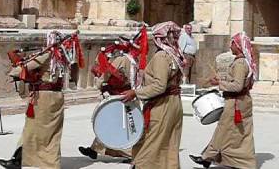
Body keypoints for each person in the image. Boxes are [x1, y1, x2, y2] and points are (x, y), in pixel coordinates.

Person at [0, 31, 85, 169]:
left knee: (38, 131)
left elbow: (22, 70)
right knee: (43, 131)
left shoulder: (48, 54)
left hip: (43, 97)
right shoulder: (66, 56)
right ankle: (18, 159)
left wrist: (17, 62)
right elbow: (74, 77)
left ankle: (49, 164)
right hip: (56, 95)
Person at [79, 26, 149, 161]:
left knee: (122, 126)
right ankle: (94, 149)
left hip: (120, 96)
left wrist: (100, 82)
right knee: (112, 122)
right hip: (129, 94)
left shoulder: (121, 60)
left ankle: (133, 155)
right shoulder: (134, 61)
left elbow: (106, 74)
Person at [189, 32, 257, 169]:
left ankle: (207, 157)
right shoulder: (242, 62)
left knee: (223, 130)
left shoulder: (239, 63)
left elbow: (237, 86)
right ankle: (237, 161)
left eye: (232, 43)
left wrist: (219, 84)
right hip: (242, 101)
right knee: (239, 133)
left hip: (236, 103)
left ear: (238, 46)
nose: (230, 46)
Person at [122, 21, 185, 169]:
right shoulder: (174, 55)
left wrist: (135, 93)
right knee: (169, 145)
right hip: (173, 103)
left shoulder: (161, 57)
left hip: (162, 105)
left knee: (152, 144)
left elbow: (159, 85)